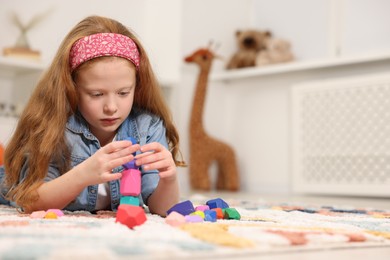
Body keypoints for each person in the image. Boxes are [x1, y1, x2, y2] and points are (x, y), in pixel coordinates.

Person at [0, 15, 185, 217]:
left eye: (123, 93)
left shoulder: (147, 126)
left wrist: (169, 179)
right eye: (96, 94)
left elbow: (163, 209)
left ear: (137, 87)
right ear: (71, 88)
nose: (111, 107)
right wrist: (84, 174)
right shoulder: (55, 126)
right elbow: (30, 201)